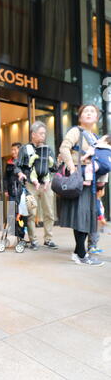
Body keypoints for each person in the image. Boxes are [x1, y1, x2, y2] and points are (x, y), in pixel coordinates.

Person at [58, 104, 107, 266]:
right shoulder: (76, 131)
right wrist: (72, 168)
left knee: (87, 216)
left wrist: (102, 183)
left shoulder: (95, 137)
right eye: (86, 111)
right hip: (80, 179)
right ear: (80, 116)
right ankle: (80, 254)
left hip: (91, 181)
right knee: (81, 215)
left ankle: (78, 253)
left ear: (96, 118)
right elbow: (64, 148)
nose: (89, 113)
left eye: (92, 111)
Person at [16, 121, 58, 250]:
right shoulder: (25, 149)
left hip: (46, 185)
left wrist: (49, 178)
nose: (43, 136)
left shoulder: (48, 149)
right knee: (31, 213)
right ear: (33, 134)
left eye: (44, 133)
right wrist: (20, 174)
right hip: (30, 184)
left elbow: (54, 167)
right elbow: (17, 166)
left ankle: (48, 239)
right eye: (40, 133)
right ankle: (33, 240)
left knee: (49, 213)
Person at [87, 185, 107, 254]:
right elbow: (98, 210)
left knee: (97, 234)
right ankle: (91, 247)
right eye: (103, 190)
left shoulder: (98, 200)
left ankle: (94, 246)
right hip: (95, 220)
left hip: (98, 221)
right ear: (99, 192)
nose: (104, 192)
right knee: (93, 234)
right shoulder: (96, 200)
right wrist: (102, 218)